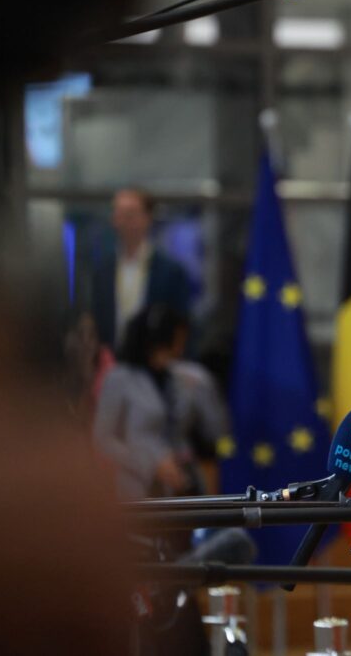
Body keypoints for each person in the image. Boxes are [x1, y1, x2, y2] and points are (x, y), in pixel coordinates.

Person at [93, 304, 228, 501]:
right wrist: (151, 464)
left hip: (185, 484)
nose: (181, 346)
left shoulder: (184, 377)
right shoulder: (119, 378)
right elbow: (102, 439)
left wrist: (201, 387)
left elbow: (216, 429)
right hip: (139, 487)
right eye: (177, 338)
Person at [91, 188, 190, 349]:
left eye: (130, 214)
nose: (123, 221)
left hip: (154, 365)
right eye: (118, 214)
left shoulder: (170, 272)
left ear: (147, 218)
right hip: (111, 364)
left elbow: (182, 326)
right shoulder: (103, 271)